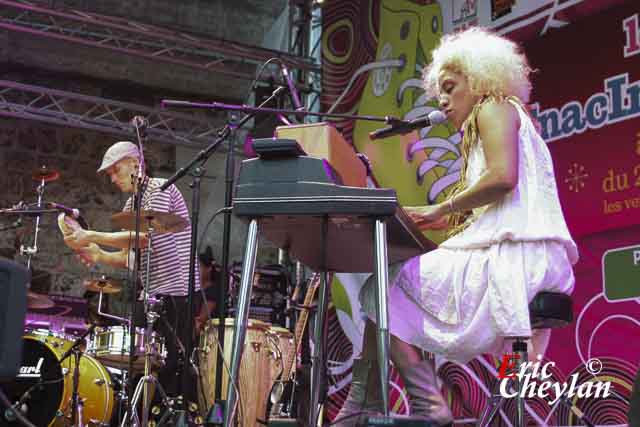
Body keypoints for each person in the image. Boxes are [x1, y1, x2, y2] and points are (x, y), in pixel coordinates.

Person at [335, 27, 578, 426]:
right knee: (395, 293)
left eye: (450, 87)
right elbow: (483, 209)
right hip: (527, 256)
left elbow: (502, 177)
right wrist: (420, 212)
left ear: (481, 77)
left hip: (515, 259)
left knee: (380, 288)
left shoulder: (492, 107)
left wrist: (437, 210)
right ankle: (368, 402)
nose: (444, 100)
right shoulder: (506, 116)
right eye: (439, 92)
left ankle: (416, 402)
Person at [64, 140, 201, 400]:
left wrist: (90, 234)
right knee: (137, 360)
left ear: (135, 165)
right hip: (150, 293)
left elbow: (142, 238)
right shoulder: (130, 206)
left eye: (116, 170)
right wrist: (98, 254)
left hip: (178, 292)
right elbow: (130, 258)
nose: (113, 179)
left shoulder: (160, 187)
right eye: (110, 174)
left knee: (171, 365)